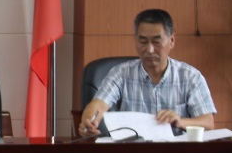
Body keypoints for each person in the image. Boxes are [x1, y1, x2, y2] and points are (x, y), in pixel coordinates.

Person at [79, 9, 216, 137]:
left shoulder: (190, 76)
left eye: (156, 42)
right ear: (135, 40)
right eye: (143, 41)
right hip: (133, 151)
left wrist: (181, 122)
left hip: (176, 152)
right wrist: (89, 121)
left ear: (172, 40)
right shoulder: (120, 74)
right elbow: (98, 104)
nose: (149, 50)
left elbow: (208, 123)